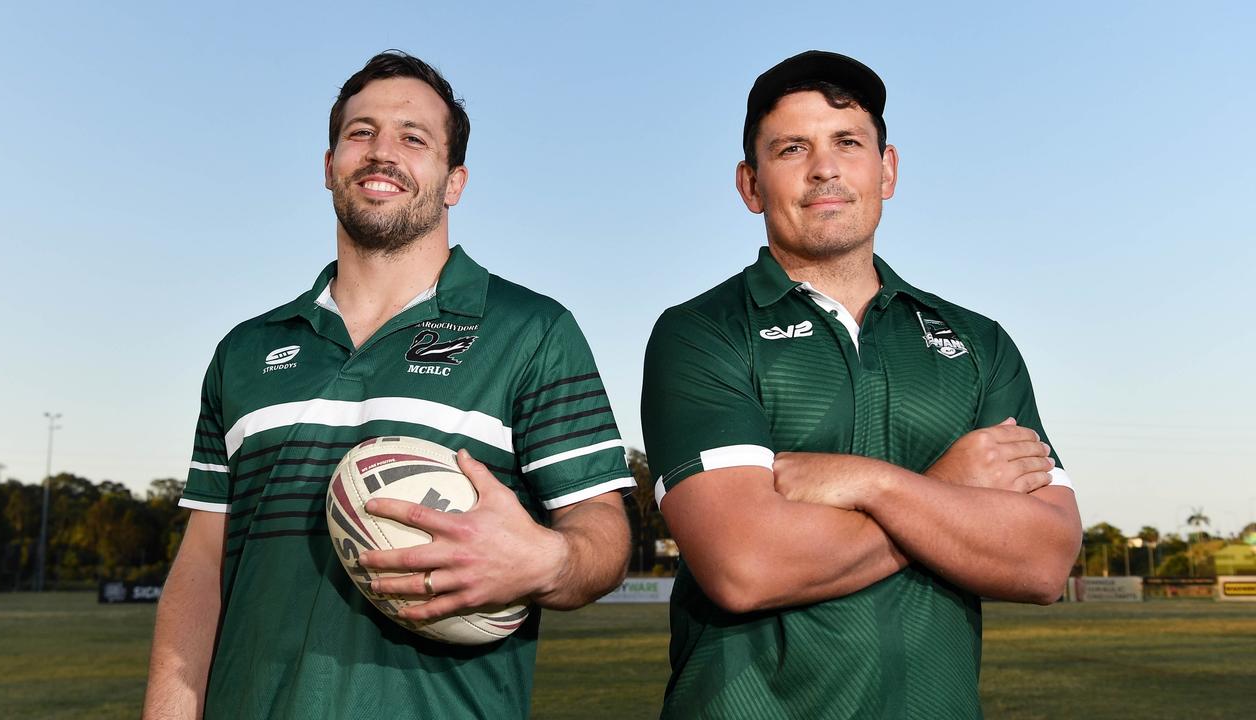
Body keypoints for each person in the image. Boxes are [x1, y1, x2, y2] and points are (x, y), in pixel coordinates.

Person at [143, 51, 634, 719]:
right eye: (361, 132)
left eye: (413, 137)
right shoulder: (246, 351)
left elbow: (601, 529)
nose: (382, 153)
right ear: (328, 167)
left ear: (454, 180)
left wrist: (546, 560)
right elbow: (202, 564)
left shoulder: (532, 331)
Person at [641, 51, 1082, 719]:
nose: (825, 167)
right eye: (792, 148)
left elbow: (1044, 561)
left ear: (888, 169)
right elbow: (746, 565)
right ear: (750, 185)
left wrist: (876, 484)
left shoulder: (978, 343)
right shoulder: (701, 333)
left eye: (848, 142)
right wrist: (953, 496)